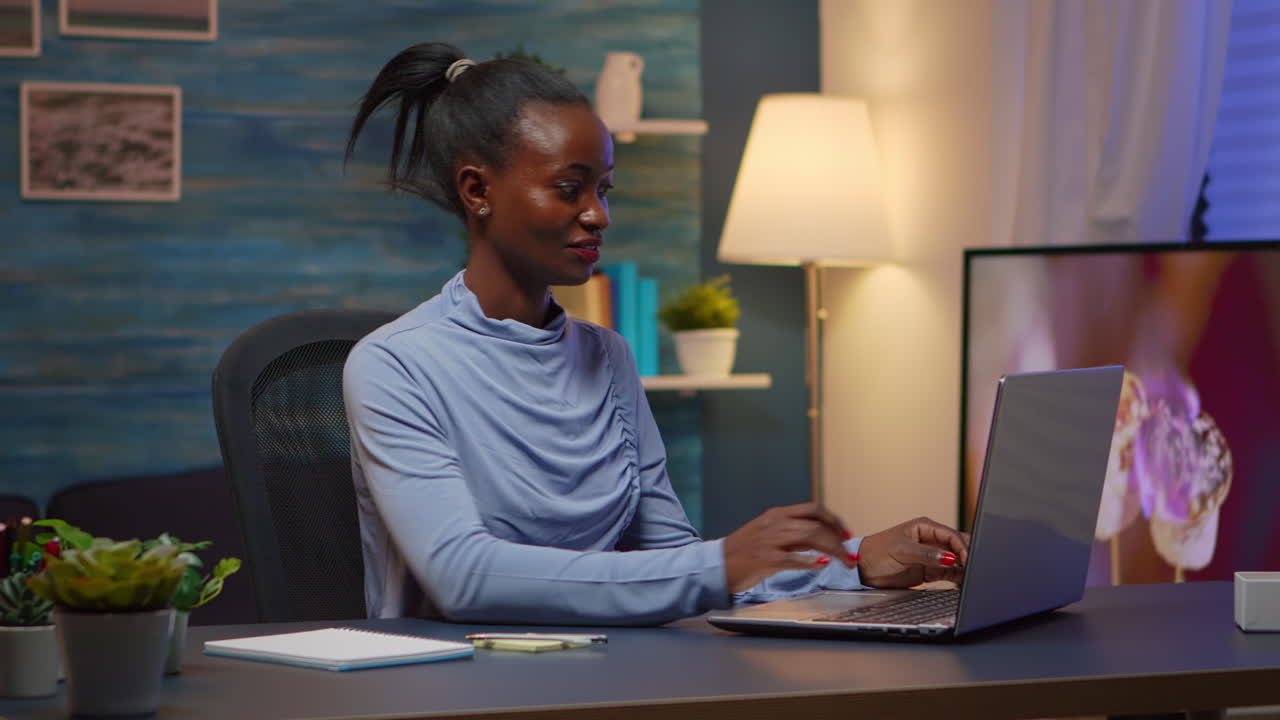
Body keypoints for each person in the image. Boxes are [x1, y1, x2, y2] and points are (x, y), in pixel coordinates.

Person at [342, 42, 970, 625]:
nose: (598, 214)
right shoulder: (394, 366)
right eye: (569, 188)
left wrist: (858, 563)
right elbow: (462, 577)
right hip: (453, 683)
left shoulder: (607, 356)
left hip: (608, 672)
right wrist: (719, 563)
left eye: (603, 189)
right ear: (478, 189)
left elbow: (675, 561)